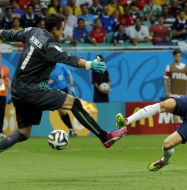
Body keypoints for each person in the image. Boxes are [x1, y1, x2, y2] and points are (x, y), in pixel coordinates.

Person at [0, 14, 127, 153]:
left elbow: (10, 34)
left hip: (17, 90)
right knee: (74, 104)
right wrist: (90, 64)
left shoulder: (33, 31)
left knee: (24, 133)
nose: (63, 32)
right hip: (32, 90)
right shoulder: (49, 46)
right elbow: (69, 59)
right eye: (62, 29)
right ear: (55, 29)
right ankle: (105, 137)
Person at [48, 64, 76, 137]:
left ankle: (72, 130)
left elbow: (69, 75)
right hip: (54, 92)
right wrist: (48, 82)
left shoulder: (61, 66)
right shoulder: (45, 68)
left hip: (63, 90)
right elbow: (42, 82)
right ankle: (72, 130)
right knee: (61, 112)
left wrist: (72, 86)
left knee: (63, 110)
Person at [164, 48, 187, 123]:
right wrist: (167, 91)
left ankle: (182, 131)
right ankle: (175, 130)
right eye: (176, 56)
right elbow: (165, 79)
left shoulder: (185, 67)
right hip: (173, 93)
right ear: (174, 57)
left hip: (183, 93)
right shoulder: (169, 67)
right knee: (175, 112)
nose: (178, 57)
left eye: (179, 56)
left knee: (184, 113)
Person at [0, 52, 11, 138]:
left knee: (1, 113)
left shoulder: (5, 69)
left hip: (3, 94)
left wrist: (11, 92)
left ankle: (0, 131)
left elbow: (7, 81)